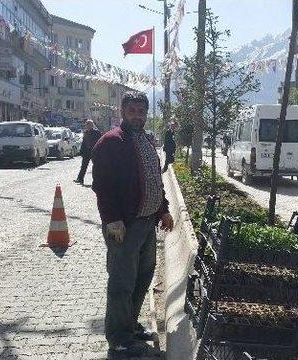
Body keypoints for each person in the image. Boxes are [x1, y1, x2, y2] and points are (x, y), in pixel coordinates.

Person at [91, 91, 174, 359]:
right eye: (133, 111)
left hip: (148, 224)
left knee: (142, 278)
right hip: (124, 227)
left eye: (141, 111)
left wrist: (163, 210)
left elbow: (154, 181)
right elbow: (103, 187)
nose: (138, 115)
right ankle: (118, 339)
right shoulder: (110, 142)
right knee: (122, 283)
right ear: (122, 112)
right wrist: (112, 220)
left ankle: (131, 325)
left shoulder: (146, 140)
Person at [74, 119, 102, 184]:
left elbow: (100, 141)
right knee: (83, 166)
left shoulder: (97, 132)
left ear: (92, 125)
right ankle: (80, 179)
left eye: (89, 124)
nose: (87, 126)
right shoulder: (85, 132)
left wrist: (99, 151)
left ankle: (98, 180)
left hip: (94, 151)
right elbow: (83, 143)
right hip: (86, 152)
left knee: (96, 166)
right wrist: (81, 151)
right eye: (87, 124)